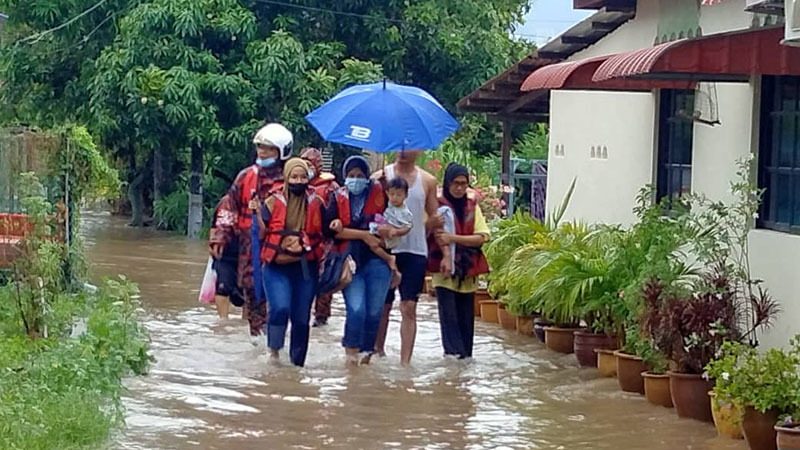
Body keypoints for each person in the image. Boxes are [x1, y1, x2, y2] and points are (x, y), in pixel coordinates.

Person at [211, 123, 294, 342]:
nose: (262, 152)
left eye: (268, 148)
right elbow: (229, 207)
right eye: (260, 147)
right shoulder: (246, 177)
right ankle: (261, 348)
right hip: (250, 254)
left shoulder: (290, 179)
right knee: (254, 302)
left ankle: (278, 344)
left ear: (282, 151)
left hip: (281, 252)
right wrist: (221, 235)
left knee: (281, 304)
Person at [373, 150, 442, 366]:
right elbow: (370, 213)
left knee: (409, 306)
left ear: (419, 150)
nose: (403, 151)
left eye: (409, 145)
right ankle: (377, 352)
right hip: (386, 250)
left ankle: (405, 363)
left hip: (415, 251)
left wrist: (442, 248)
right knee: (382, 305)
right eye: (399, 146)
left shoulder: (428, 180)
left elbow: (434, 217)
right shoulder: (381, 177)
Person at [257, 158, 325, 367]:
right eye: (294, 177)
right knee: (280, 308)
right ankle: (274, 351)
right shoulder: (271, 202)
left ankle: (297, 365)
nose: (299, 181)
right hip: (276, 266)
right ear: (286, 178)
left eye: (303, 177)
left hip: (305, 267)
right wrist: (255, 214)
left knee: (302, 318)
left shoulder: (318, 202)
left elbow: (326, 233)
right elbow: (260, 234)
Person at [326, 156, 393, 365]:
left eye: (360, 176)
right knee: (356, 310)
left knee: (374, 312)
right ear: (345, 177)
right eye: (351, 176)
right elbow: (332, 232)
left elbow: (398, 219)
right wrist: (363, 235)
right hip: (349, 261)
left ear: (367, 177)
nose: (355, 180)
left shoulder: (383, 194)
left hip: (378, 261)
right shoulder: (337, 197)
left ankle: (366, 358)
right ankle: (350, 356)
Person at [428, 163, 491, 359]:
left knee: (466, 324)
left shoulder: (472, 207)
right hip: (444, 273)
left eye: (464, 184)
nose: (460, 188)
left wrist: (453, 239)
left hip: (468, 273)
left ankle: (464, 368)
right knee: (449, 322)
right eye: (455, 183)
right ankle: (453, 364)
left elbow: (482, 237)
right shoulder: (436, 207)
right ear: (447, 183)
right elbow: (430, 233)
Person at [301, 147, 339, 328]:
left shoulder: (331, 188)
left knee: (324, 281)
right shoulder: (296, 185)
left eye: (310, 165)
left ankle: (321, 319)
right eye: (304, 164)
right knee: (302, 281)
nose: (307, 168)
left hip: (326, 241)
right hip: (303, 240)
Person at [208, 194, 244, 319]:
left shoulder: (263, 200)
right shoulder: (226, 202)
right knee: (223, 287)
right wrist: (213, 243)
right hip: (226, 253)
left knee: (250, 291)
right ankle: (223, 321)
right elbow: (214, 225)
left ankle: (246, 322)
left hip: (250, 254)